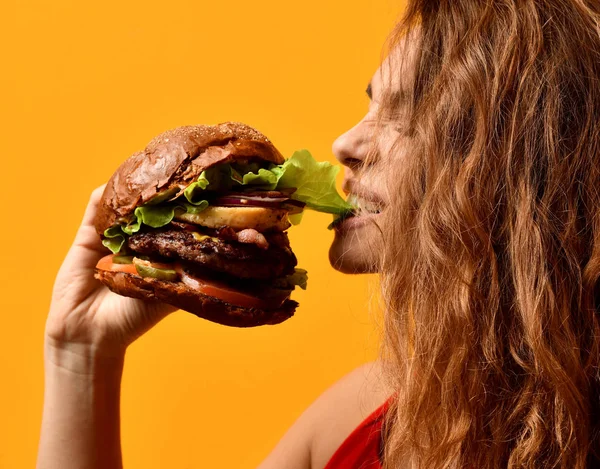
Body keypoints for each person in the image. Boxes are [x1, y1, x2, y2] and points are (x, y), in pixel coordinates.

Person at [37, 0, 600, 468]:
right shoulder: (354, 421)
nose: (345, 143)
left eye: (410, 114)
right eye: (372, 104)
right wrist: (81, 353)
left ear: (529, 165)